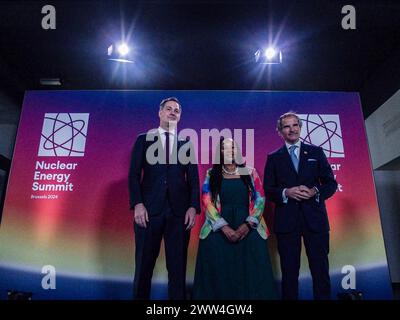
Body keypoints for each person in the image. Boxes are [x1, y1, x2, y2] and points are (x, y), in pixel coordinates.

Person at [128, 97, 200, 300]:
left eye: (176, 110)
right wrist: (138, 204)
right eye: (168, 109)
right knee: (143, 267)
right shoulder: (144, 140)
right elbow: (134, 175)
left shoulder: (186, 144)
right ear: (159, 113)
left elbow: (194, 180)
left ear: (180, 116)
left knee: (177, 270)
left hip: (179, 215)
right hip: (148, 212)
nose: (172, 112)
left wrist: (193, 207)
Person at [263, 111, 338, 300]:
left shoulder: (316, 152)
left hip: (315, 221)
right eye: (287, 126)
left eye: (295, 125)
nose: (292, 129)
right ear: (280, 131)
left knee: (320, 271)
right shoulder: (273, 157)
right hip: (287, 223)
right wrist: (285, 193)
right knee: (289, 274)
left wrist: (315, 191)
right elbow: (268, 189)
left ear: (300, 127)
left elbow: (330, 184)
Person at [192, 138, 277, 300]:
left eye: (233, 148)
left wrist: (247, 225)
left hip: (249, 226)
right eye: (225, 148)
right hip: (218, 228)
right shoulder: (212, 173)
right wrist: (224, 227)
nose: (230, 151)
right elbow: (206, 200)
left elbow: (260, 199)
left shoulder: (249, 171)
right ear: (220, 153)